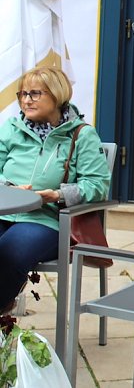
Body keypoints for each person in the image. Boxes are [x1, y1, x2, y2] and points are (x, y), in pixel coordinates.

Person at [0, 67, 110, 312]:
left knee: (9, 253)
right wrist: (8, 187)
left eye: (35, 93)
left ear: (57, 95)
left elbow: (97, 185)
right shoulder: (12, 128)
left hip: (46, 219)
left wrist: (58, 195)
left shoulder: (81, 135)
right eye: (23, 94)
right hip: (3, 211)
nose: (26, 100)